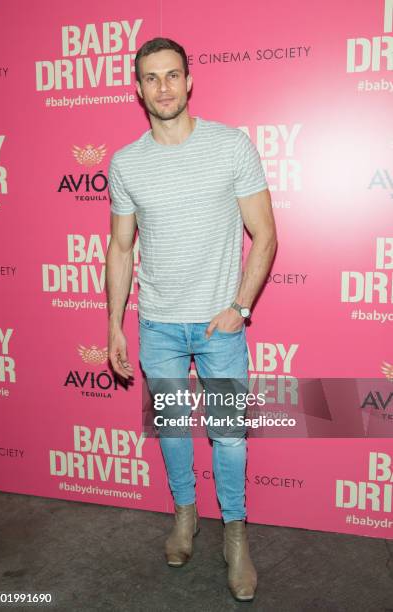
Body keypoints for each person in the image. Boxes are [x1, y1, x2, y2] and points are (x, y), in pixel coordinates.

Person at [105, 37, 277, 602]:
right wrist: (113, 326)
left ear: (189, 80)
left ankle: (235, 537)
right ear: (138, 88)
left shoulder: (231, 146)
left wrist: (240, 309)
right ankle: (185, 516)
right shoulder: (127, 162)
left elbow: (265, 235)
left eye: (172, 75)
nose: (163, 88)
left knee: (229, 438)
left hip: (219, 327)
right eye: (151, 78)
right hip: (158, 328)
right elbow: (121, 248)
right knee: (174, 431)